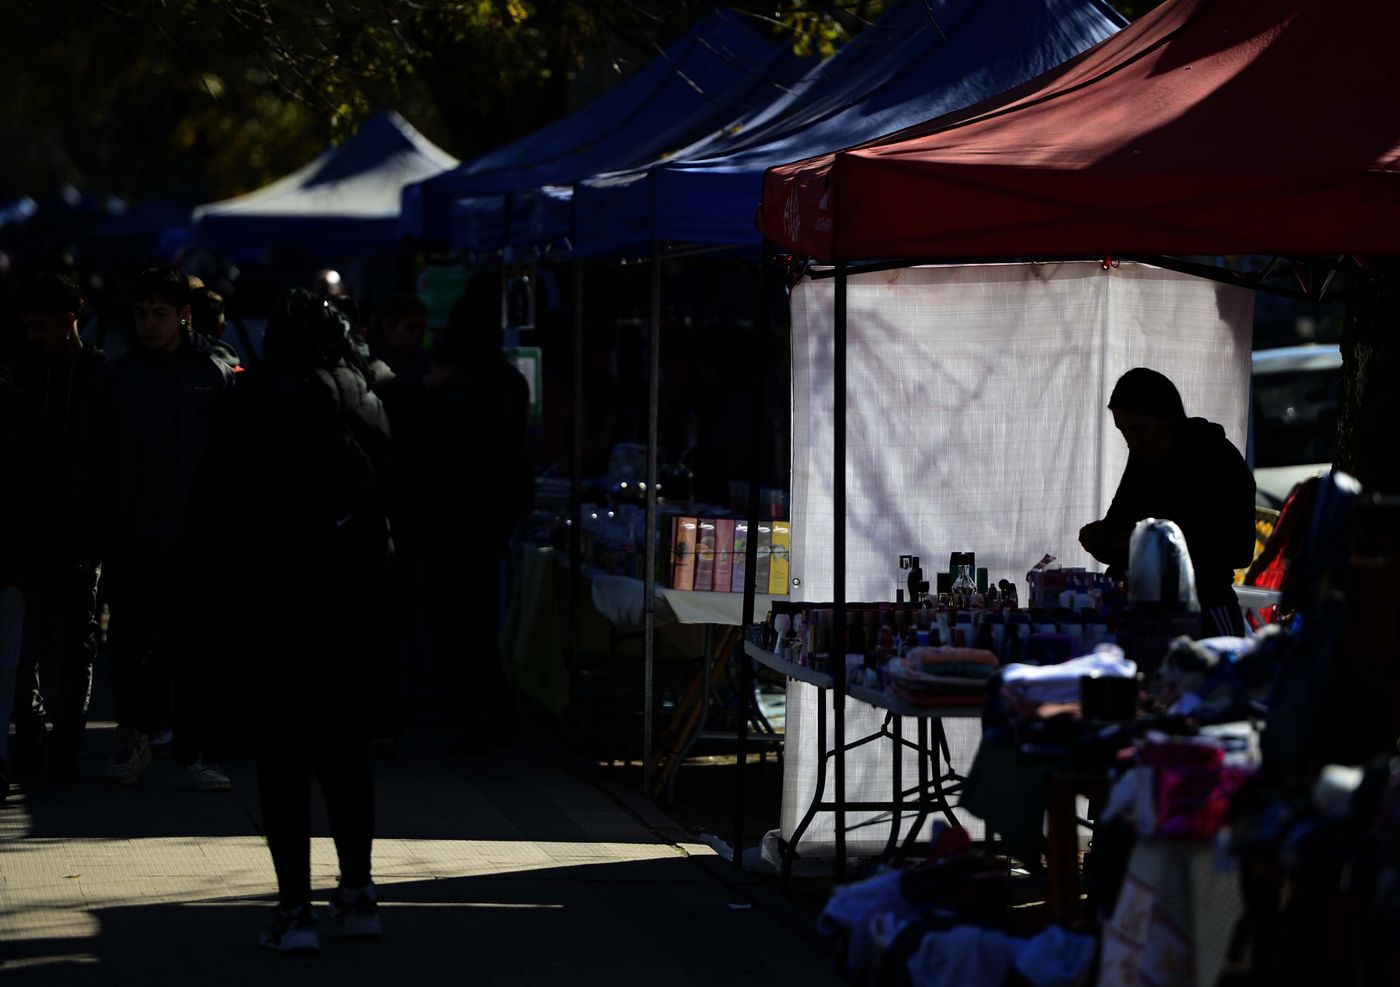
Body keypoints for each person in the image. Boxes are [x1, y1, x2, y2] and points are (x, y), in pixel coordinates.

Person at [187, 288, 392, 951]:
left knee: (283, 759)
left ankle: (295, 908)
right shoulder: (361, 396)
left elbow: (212, 507)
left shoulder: (247, 401)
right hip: (349, 604)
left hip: (272, 602)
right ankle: (359, 892)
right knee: (345, 753)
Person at [93, 266, 235, 787]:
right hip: (132, 533)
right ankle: (133, 737)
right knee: (130, 644)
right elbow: (98, 456)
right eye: (141, 314)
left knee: (195, 648)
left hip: (195, 535)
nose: (149, 324)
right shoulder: (116, 375)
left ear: (183, 315)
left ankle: (194, 749)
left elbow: (228, 460)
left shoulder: (212, 374)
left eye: (159, 313)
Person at [6, 273, 107, 782]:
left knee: (71, 645)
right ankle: (36, 738)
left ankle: (62, 747)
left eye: (39, 325)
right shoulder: (22, 372)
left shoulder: (96, 375)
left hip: (75, 529)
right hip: (28, 529)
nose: (31, 335)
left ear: (70, 319)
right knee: (29, 646)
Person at [1078, 367, 1257, 636]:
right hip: (1143, 614)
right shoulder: (1143, 458)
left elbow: (1238, 549)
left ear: (1168, 418)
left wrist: (1151, 544)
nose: (1132, 442)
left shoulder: (1217, 459)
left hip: (1204, 611)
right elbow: (1121, 523)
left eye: (1139, 430)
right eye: (1125, 433)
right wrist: (1102, 538)